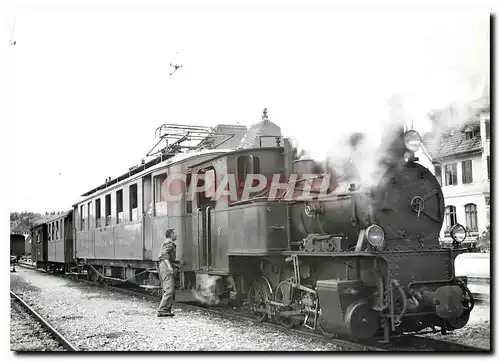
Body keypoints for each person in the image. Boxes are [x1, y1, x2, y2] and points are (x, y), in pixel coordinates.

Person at [157, 229, 178, 317]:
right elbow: (165, 255)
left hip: (164, 266)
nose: (176, 235)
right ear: (171, 234)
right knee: (169, 289)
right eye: (175, 233)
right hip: (165, 267)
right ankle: (162, 310)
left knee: (168, 288)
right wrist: (169, 266)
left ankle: (166, 310)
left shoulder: (168, 242)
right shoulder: (169, 243)